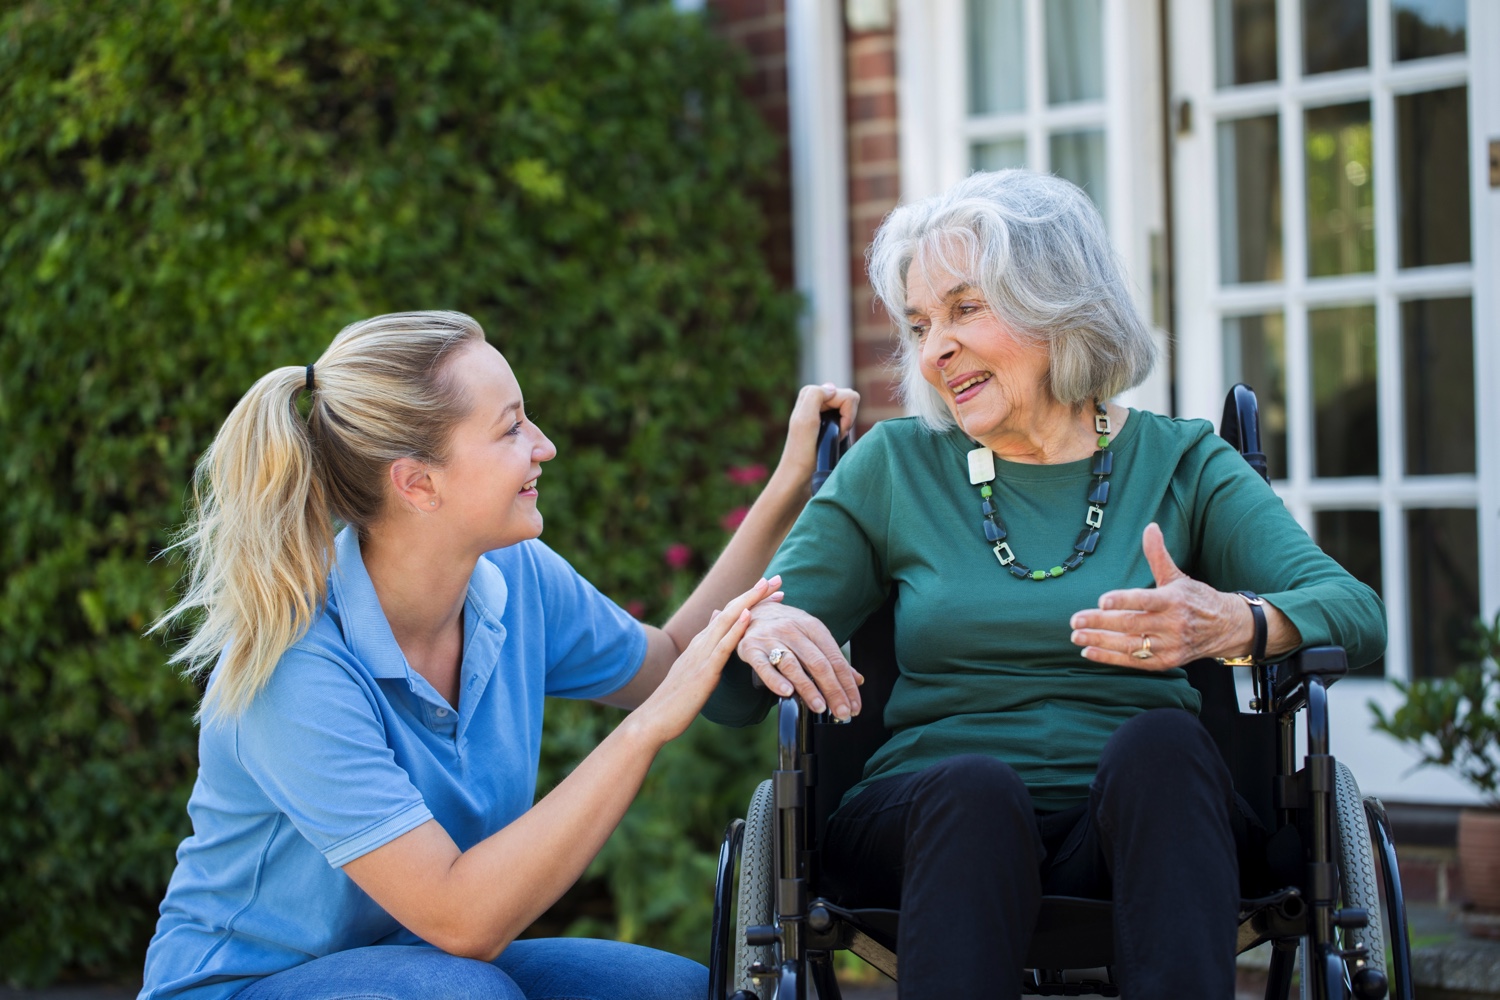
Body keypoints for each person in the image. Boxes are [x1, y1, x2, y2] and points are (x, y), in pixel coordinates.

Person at [702, 169, 1386, 998]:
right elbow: (730, 697)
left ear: (1058, 303)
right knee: (975, 787)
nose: (933, 350)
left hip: (1141, 827)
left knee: (1166, 750)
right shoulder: (895, 467)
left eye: (964, 309)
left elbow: (1356, 613)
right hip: (931, 823)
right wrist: (761, 633)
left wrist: (1235, 623)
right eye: (920, 324)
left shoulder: (1180, 461)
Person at [137, 310, 858, 1000]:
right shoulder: (294, 666)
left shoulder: (516, 578)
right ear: (419, 483)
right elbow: (463, 920)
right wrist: (645, 731)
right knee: (461, 992)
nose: (543, 444)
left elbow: (670, 660)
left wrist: (788, 485)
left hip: (416, 966)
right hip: (243, 987)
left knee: (675, 992)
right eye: (512, 427)